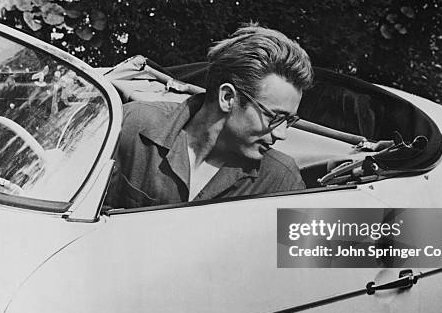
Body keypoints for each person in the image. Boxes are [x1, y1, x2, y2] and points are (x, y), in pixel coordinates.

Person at [105, 24, 314, 209]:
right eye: (275, 117)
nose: (282, 134)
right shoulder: (132, 125)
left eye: (289, 121)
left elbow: (314, 252)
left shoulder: (281, 180)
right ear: (227, 97)